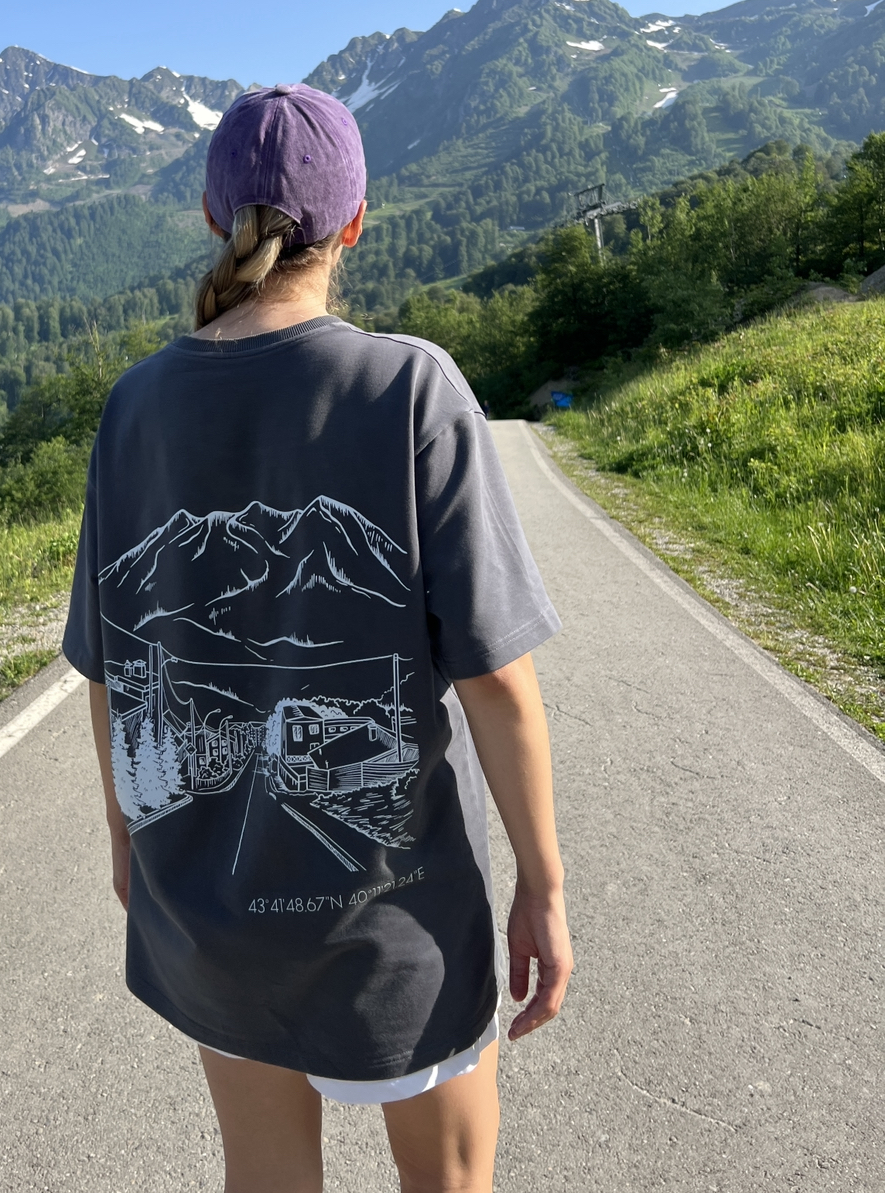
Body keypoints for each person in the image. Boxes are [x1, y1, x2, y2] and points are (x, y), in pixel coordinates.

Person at [63, 83, 573, 1192]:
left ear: (214, 218)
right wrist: (543, 882)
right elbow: (495, 680)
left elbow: (112, 668)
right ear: (356, 223)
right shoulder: (410, 386)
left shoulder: (134, 405)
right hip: (397, 931)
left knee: (265, 1176)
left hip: (207, 921)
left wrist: (125, 840)